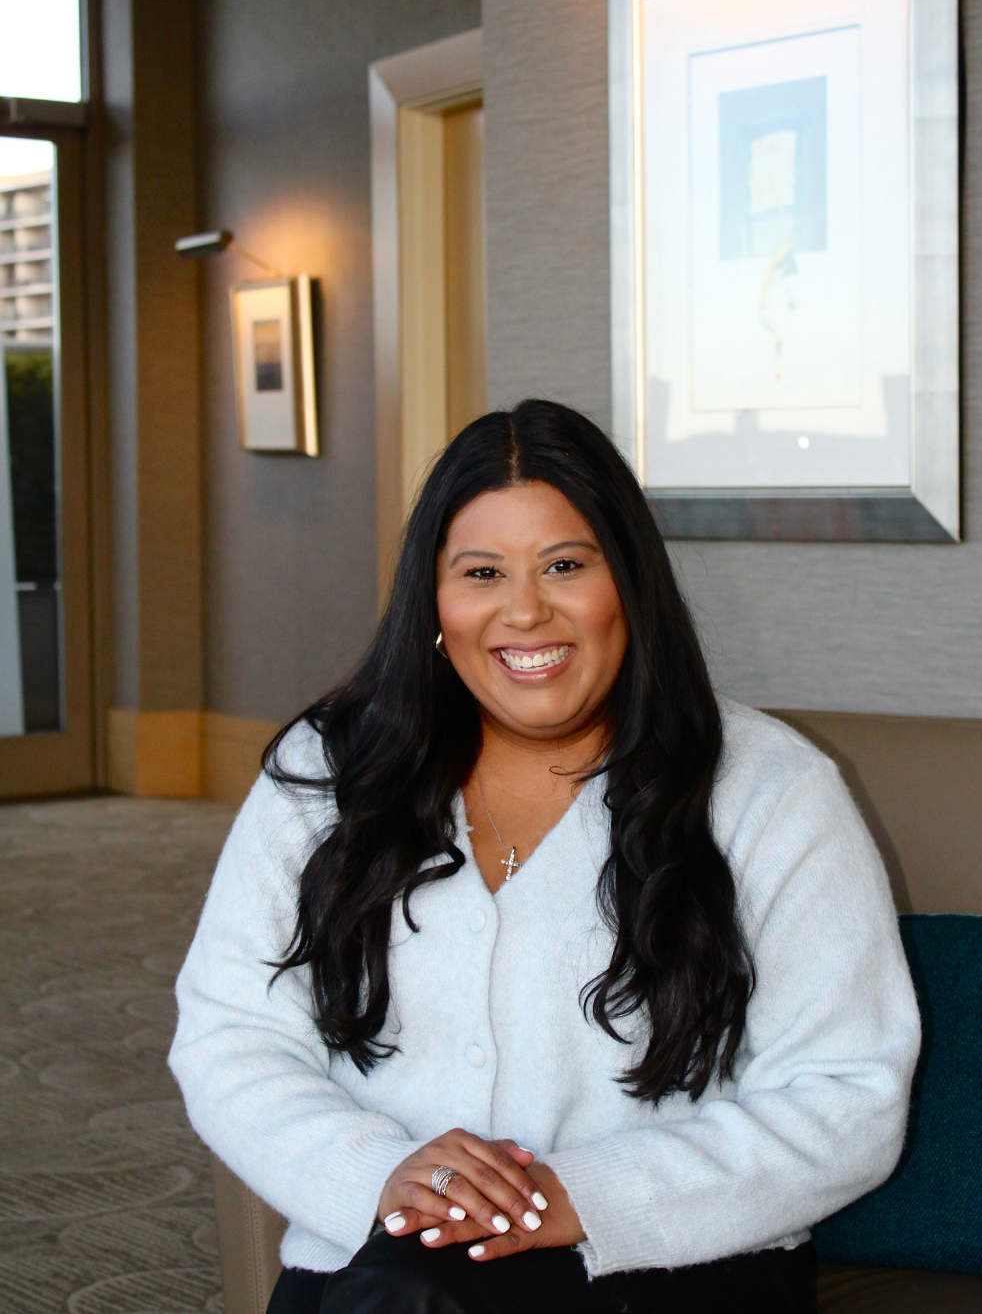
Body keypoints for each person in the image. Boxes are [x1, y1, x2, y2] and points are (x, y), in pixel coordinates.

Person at [169, 400, 920, 1314]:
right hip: (379, 1260)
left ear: (628, 586)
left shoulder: (768, 791)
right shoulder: (327, 773)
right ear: (435, 602)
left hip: (670, 1271)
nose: (524, 611)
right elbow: (229, 1036)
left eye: (565, 565)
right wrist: (381, 1174)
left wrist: (572, 1198)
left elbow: (847, 1099)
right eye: (481, 572)